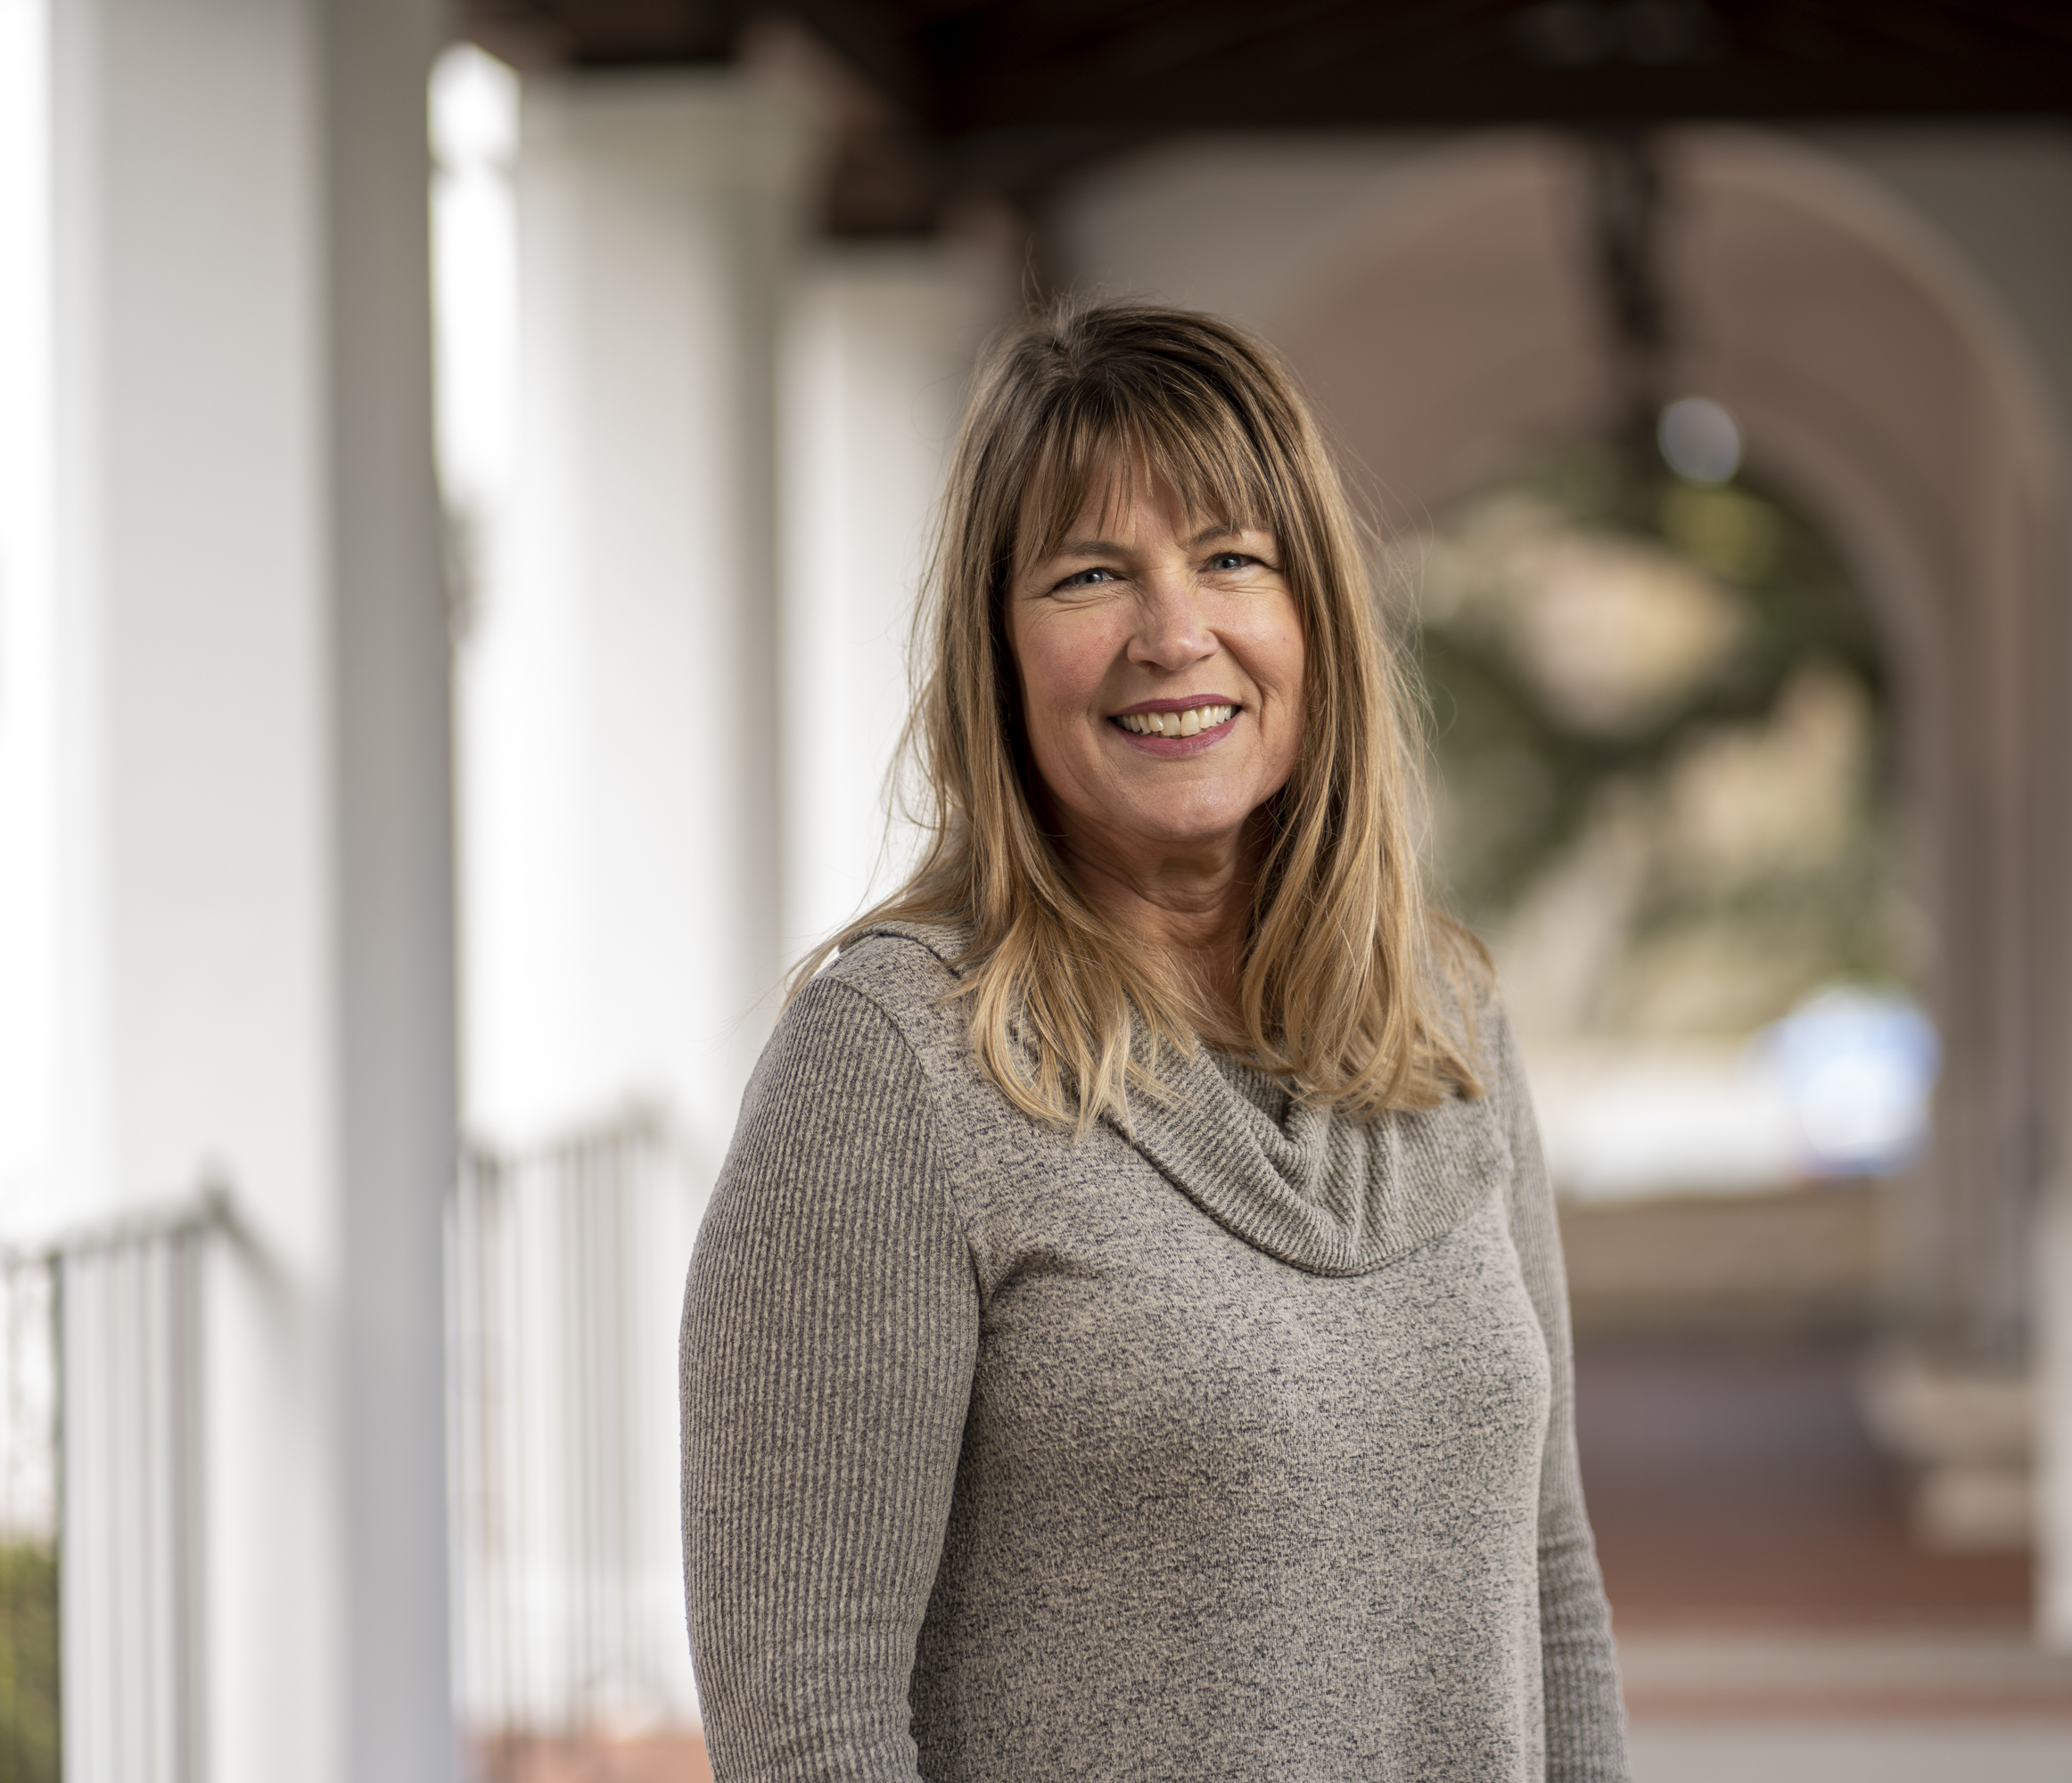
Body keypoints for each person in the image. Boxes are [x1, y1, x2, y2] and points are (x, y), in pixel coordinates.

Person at [680, 301, 1630, 1782]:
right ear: (998, 651)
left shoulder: (1450, 1023)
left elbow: (1552, 1583)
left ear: (1315, 615)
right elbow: (809, 1715)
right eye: (1090, 575)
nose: (1173, 635)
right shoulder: (892, 1067)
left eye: (1233, 559)